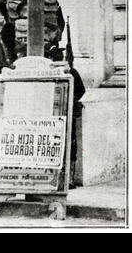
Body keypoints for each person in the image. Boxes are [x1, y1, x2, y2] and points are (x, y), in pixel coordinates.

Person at [48, 46, 85, 189]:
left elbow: (80, 90)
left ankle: (63, 178)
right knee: (70, 144)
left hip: (59, 112)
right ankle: (68, 179)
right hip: (66, 112)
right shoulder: (72, 71)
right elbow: (82, 90)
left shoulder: (52, 72)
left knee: (62, 144)